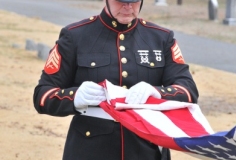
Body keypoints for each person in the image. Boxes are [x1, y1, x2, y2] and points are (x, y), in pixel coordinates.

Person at [33, 0, 199, 159]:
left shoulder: (161, 38)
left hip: (145, 150)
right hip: (90, 151)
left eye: (133, 2)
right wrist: (74, 97)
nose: (128, 7)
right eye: (121, 1)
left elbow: (188, 91)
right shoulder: (75, 35)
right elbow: (43, 95)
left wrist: (156, 92)